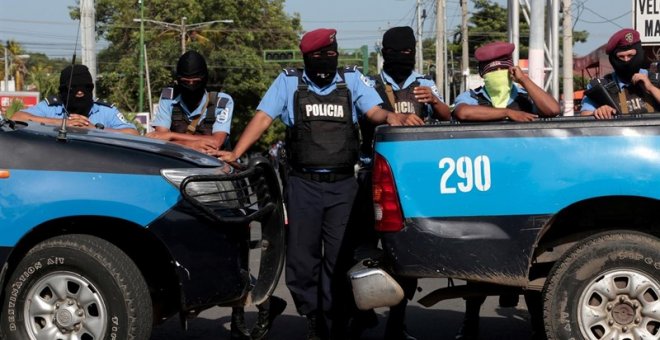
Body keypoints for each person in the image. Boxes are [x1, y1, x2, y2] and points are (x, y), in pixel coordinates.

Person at [212, 28, 408, 340]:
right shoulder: (289, 81)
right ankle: (312, 313)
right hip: (303, 185)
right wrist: (237, 152)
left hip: (344, 186)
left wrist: (390, 117)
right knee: (302, 263)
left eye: (332, 54)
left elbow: (373, 111)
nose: (327, 60)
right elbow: (263, 117)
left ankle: (332, 323)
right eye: (319, 56)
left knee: (339, 261)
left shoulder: (351, 79)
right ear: (306, 57)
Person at [342, 26, 450, 340]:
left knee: (404, 253)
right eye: (396, 52)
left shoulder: (424, 83)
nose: (403, 57)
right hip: (369, 175)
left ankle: (396, 322)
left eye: (408, 52)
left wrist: (434, 100)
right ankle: (361, 314)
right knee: (361, 249)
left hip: (412, 181)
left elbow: (447, 117)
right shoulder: (369, 84)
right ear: (385, 53)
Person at [452, 40, 560, 340]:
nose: (498, 75)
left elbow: (552, 109)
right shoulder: (472, 97)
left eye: (503, 68)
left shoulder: (525, 96)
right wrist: (507, 114)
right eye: (492, 70)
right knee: (478, 261)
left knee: (531, 259)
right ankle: (470, 323)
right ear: (483, 74)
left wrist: (524, 79)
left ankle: (539, 324)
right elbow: (462, 113)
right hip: (486, 190)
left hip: (526, 190)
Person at [12, 64, 138, 135]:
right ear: (63, 90)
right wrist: (61, 123)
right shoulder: (53, 107)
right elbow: (16, 117)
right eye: (73, 88)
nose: (80, 92)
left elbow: (133, 133)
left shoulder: (104, 110)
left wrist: (96, 129)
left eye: (86, 87)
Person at [147, 50, 233, 153]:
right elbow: (159, 139)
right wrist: (192, 145)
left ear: (204, 79)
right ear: (178, 80)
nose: (191, 86)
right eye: (185, 82)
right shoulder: (169, 97)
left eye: (196, 82)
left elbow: (216, 143)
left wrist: (171, 135)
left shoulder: (221, 102)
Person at [580, 28, 660, 119]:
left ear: (639, 54)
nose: (626, 60)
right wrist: (598, 112)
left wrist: (651, 88)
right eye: (621, 57)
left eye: (630, 55)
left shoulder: (656, 79)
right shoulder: (600, 87)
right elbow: (584, 115)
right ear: (613, 59)